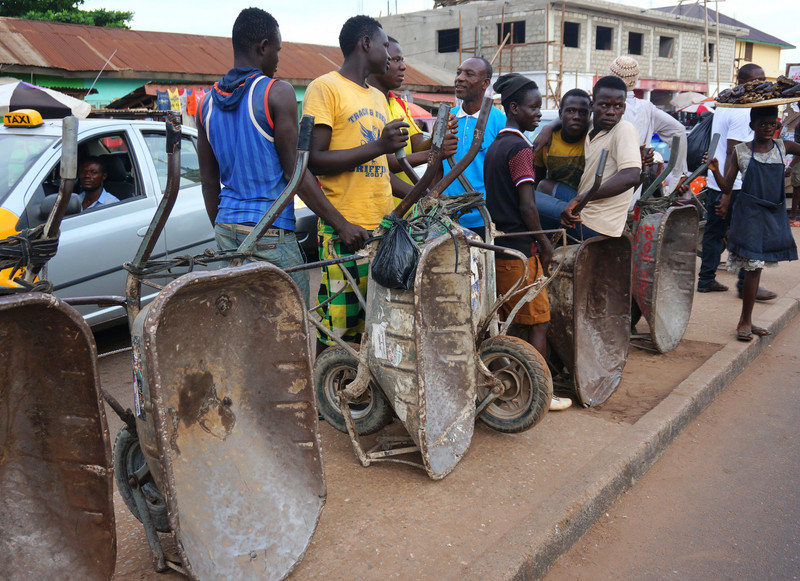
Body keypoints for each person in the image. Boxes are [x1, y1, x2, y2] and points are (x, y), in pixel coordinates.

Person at [196, 8, 367, 306]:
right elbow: (295, 173)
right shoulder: (276, 92)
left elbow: (209, 183)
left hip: (225, 227)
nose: (278, 59)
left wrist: (227, 232)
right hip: (270, 230)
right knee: (292, 323)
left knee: (242, 322)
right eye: (277, 50)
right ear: (263, 47)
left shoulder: (206, 105)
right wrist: (341, 224)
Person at [303, 15, 411, 349]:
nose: (390, 57)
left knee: (377, 325)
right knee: (339, 330)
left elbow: (379, 168)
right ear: (365, 44)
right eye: (384, 46)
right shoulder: (325, 88)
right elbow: (313, 161)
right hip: (347, 233)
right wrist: (340, 224)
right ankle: (329, 396)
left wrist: (426, 196)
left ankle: (363, 395)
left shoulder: (379, 99)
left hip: (382, 232)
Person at [484, 73, 571, 411]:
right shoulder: (519, 148)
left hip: (500, 246)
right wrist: (545, 244)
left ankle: (504, 382)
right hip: (520, 251)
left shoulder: (495, 146)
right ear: (514, 108)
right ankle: (539, 392)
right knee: (538, 320)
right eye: (534, 107)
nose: (539, 113)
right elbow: (528, 204)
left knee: (503, 323)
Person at [707, 105, 798, 341]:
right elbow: (727, 187)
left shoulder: (783, 147)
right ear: (752, 126)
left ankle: (746, 320)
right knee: (752, 268)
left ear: (778, 126)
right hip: (749, 216)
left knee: (756, 268)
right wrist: (715, 171)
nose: (767, 128)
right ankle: (744, 322)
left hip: (773, 216)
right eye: (762, 124)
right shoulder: (740, 151)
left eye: (772, 124)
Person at [697, 63, 776, 301]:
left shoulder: (725, 104)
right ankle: (745, 285)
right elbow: (735, 151)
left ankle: (706, 279)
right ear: (742, 82)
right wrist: (729, 192)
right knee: (748, 234)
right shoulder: (744, 111)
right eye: (755, 80)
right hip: (735, 184)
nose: (761, 84)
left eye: (763, 79)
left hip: (716, 179)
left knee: (714, 232)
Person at [366, 37, 456, 188]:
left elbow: (417, 146)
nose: (403, 67)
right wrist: (435, 154)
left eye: (402, 60)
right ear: (378, 61)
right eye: (396, 60)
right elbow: (382, 162)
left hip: (405, 208)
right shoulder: (364, 104)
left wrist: (436, 135)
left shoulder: (400, 103)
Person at [559, 76, 642, 238]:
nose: (611, 112)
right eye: (604, 105)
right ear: (592, 106)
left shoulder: (624, 129)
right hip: (584, 208)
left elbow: (631, 175)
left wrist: (582, 198)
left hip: (594, 224)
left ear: (624, 108)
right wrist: (548, 128)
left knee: (529, 204)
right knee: (544, 185)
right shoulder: (591, 127)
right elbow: (565, 118)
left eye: (618, 106)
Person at [440, 56, 506, 240]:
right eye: (459, 72)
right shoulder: (447, 118)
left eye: (469, 74)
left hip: (483, 218)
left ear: (485, 83)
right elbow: (435, 164)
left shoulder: (499, 121)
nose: (460, 78)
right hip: (447, 217)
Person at [608, 55, 688, 198]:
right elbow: (679, 131)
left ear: (610, 76)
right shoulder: (647, 108)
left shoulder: (604, 107)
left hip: (607, 189)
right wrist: (678, 175)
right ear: (636, 79)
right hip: (634, 191)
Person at [532, 89, 592, 230]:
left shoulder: (593, 137)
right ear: (560, 114)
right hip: (558, 201)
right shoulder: (546, 141)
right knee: (541, 187)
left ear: (589, 115)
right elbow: (537, 181)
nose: (576, 116)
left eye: (583, 112)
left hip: (587, 202)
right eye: (570, 111)